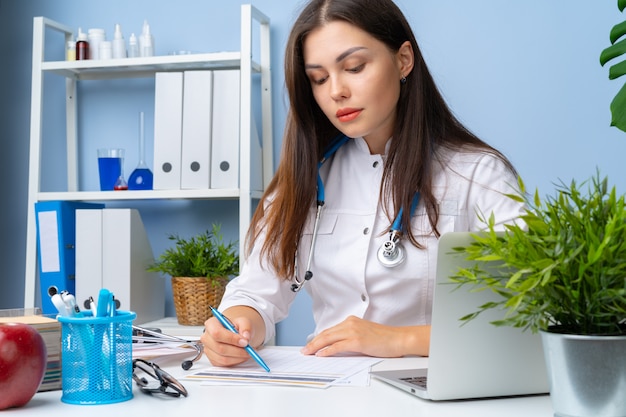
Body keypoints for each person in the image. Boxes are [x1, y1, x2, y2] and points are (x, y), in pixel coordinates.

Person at [201, 0, 524, 367]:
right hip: (329, 390)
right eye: (319, 79)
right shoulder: (304, 179)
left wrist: (398, 339)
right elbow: (257, 293)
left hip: (432, 389)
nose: (336, 91)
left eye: (354, 67)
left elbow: (529, 308)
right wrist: (239, 326)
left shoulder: (479, 174)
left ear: (404, 60)